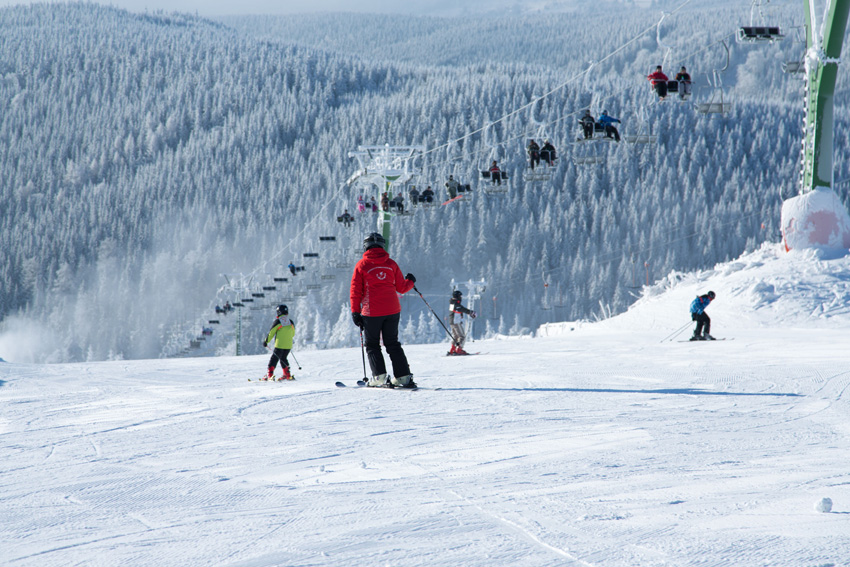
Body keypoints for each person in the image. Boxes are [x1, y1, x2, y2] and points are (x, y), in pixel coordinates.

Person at [350, 232, 417, 388]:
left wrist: (355, 312)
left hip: (371, 312)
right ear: (382, 245)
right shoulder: (391, 264)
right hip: (392, 310)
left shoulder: (361, 265)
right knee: (392, 343)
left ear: (365, 246)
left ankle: (379, 377)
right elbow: (401, 287)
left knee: (372, 345)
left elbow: (355, 291)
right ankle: (403, 377)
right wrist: (411, 281)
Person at [262, 304, 296, 380]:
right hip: (288, 345)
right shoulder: (291, 322)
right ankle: (287, 375)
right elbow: (293, 333)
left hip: (279, 345)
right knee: (283, 358)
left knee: (274, 359)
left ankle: (269, 375)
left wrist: (266, 341)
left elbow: (271, 333)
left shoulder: (278, 321)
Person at [448, 290, 476, 355]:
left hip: (453, 322)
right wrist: (471, 312)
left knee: (456, 336)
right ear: (457, 296)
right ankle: (459, 350)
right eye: (460, 296)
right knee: (462, 336)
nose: (461, 297)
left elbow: (459, 309)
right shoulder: (455, 304)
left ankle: (453, 349)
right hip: (455, 322)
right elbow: (461, 309)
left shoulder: (453, 303)